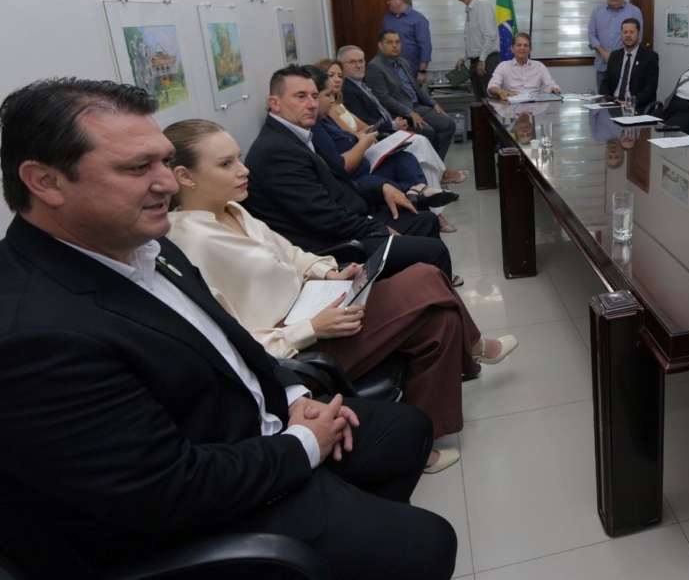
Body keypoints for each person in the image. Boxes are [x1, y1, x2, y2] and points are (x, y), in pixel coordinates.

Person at [0, 78, 457, 578]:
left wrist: (289, 394)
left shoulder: (145, 245)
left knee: (406, 431)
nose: (169, 184)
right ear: (45, 182)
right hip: (210, 507)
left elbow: (230, 342)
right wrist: (303, 444)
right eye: (137, 168)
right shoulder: (35, 334)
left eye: (162, 161)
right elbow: (164, 492)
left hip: (259, 428)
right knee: (429, 544)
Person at [164, 119, 516, 473]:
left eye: (238, 158)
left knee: (438, 320)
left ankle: (416, 443)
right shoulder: (191, 243)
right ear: (185, 176)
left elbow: (293, 255)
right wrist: (311, 328)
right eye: (226, 164)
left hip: (316, 305)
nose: (244, 170)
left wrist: (329, 272)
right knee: (425, 276)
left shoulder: (234, 210)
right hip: (293, 351)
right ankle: (473, 349)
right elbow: (230, 345)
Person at [242, 66, 457, 283]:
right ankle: (426, 303)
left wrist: (381, 188)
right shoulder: (276, 151)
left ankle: (423, 297)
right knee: (435, 251)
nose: (312, 104)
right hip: (332, 246)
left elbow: (338, 185)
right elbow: (322, 217)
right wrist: (378, 228)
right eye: (301, 97)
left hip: (346, 223)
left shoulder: (295, 135)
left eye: (314, 96)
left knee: (427, 220)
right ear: (275, 103)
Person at [306, 65, 461, 232]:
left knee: (405, 157)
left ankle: (419, 191)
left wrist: (359, 137)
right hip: (358, 175)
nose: (331, 99)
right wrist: (363, 142)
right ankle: (421, 206)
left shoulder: (327, 115)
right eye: (327, 95)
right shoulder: (317, 125)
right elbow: (341, 167)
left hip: (364, 160)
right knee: (417, 144)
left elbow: (351, 130)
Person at [334, 47, 469, 187]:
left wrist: (395, 121)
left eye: (361, 61)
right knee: (423, 138)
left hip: (390, 123)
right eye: (352, 62)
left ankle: (434, 181)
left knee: (430, 133)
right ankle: (439, 176)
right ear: (342, 66)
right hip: (378, 136)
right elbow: (365, 122)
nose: (358, 65)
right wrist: (392, 125)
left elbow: (414, 90)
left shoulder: (362, 83)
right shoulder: (348, 90)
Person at [366, 30, 457, 159]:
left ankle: (436, 165)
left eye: (397, 42)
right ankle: (432, 167)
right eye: (390, 42)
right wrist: (409, 112)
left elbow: (416, 89)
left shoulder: (403, 62)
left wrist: (433, 103)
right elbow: (384, 98)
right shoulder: (375, 67)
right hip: (400, 114)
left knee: (448, 124)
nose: (395, 45)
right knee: (428, 132)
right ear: (380, 45)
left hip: (417, 107)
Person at [588, 0, 643, 92]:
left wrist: (617, 56)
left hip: (626, 65)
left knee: (623, 96)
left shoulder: (634, 11)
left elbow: (638, 37)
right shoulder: (596, 12)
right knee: (603, 99)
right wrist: (604, 53)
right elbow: (591, 34)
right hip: (603, 64)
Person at [454, 0, 501, 100]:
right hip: (476, 62)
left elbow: (489, 36)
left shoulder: (482, 6)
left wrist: (482, 60)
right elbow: (473, 40)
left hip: (487, 62)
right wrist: (463, 58)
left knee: (491, 102)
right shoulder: (469, 10)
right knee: (480, 102)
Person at [599, 18, 659, 112]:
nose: (628, 35)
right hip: (613, 104)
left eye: (632, 32)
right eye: (625, 32)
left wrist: (629, 103)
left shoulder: (650, 57)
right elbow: (606, 81)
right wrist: (606, 98)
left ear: (639, 34)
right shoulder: (615, 56)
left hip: (635, 107)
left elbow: (650, 88)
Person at [382, 0, 432, 87]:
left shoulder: (418, 19)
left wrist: (422, 71)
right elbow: (381, 44)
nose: (388, 2)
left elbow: (425, 46)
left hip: (411, 72)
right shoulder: (387, 18)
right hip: (389, 72)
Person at [487, 32, 561, 99]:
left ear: (530, 50)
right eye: (519, 45)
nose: (522, 48)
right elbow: (491, 87)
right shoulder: (503, 66)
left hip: (534, 106)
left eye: (525, 45)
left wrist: (554, 89)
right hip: (511, 106)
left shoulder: (539, 66)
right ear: (512, 48)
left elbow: (551, 85)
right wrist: (500, 91)